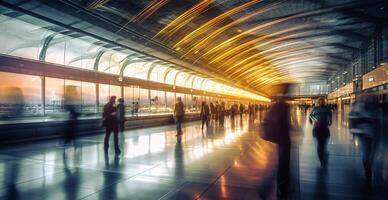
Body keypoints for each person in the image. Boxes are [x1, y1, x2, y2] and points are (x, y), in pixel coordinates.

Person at [261, 84, 292, 200]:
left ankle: (276, 187)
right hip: (283, 140)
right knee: (282, 165)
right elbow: (284, 124)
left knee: (280, 165)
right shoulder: (283, 106)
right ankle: (272, 188)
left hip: (280, 139)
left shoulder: (278, 105)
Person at [349, 94, 381, 182]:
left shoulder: (376, 107)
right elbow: (353, 119)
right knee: (367, 151)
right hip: (364, 133)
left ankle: (368, 164)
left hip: (375, 133)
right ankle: (367, 166)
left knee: (372, 152)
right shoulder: (358, 107)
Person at [309, 97, 332, 167]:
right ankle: (321, 159)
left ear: (324, 102)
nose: (321, 102)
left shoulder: (327, 108)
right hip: (317, 128)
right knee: (320, 145)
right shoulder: (315, 109)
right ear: (318, 102)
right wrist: (314, 121)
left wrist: (330, 121)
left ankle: (324, 156)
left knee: (323, 145)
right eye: (320, 101)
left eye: (322, 101)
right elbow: (311, 116)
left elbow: (330, 115)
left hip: (324, 128)